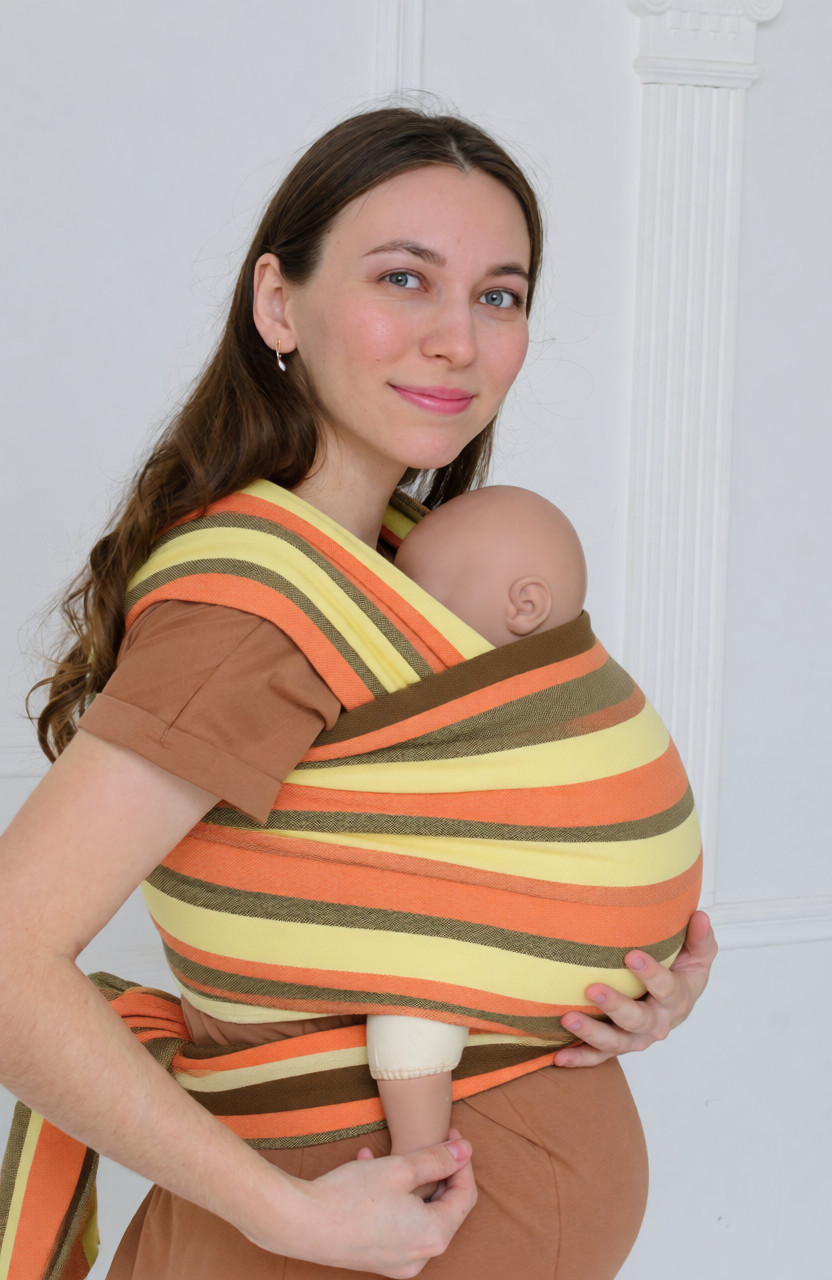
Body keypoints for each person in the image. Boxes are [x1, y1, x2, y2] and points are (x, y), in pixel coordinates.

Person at [0, 106, 717, 1280]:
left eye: (498, 295)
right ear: (277, 304)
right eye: (403, 277)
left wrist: (603, 972)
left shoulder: (394, 560)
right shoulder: (259, 606)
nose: (458, 339)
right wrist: (291, 1218)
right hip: (345, 1241)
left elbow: (444, 874)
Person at [365, 484, 702, 1199]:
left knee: (416, 986)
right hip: (623, 960)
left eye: (419, 598)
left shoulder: (538, 706)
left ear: (524, 606)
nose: (399, 619)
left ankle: (420, 1156)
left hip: (574, 943)